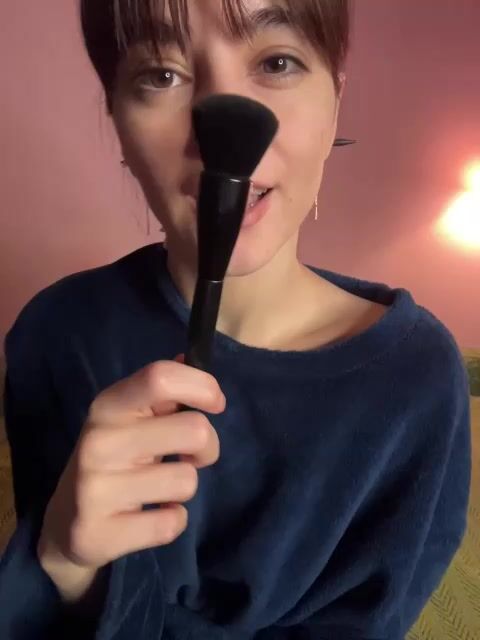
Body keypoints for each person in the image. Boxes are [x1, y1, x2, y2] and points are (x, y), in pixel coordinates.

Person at [0, 1, 471, 638]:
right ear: (116, 119)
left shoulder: (416, 379)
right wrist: (61, 561)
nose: (218, 123)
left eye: (277, 63)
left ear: (334, 103)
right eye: (161, 76)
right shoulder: (56, 334)